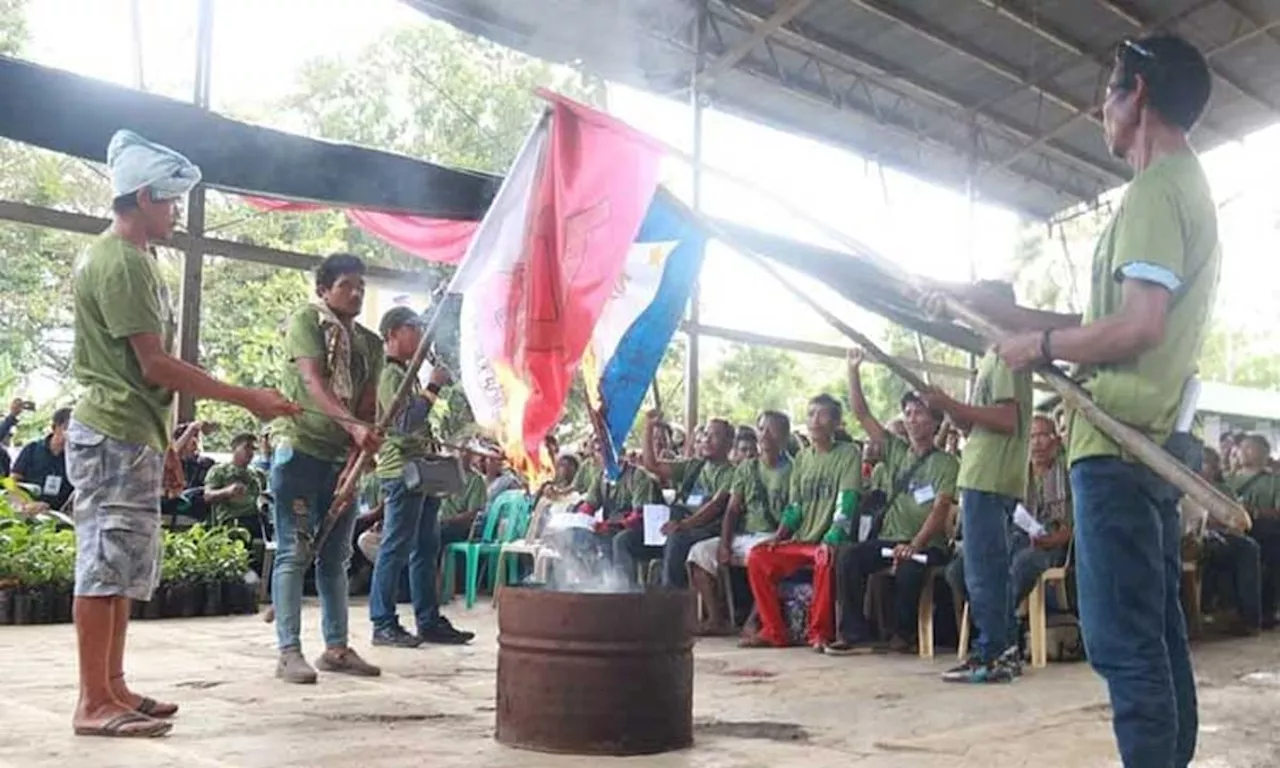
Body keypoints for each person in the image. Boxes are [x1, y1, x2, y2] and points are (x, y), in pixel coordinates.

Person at [954, 35, 1217, 766]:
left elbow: (1138, 328)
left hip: (1121, 447)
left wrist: (1036, 349)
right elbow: (1104, 324)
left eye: (1109, 90)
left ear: (1136, 93)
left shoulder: (1156, 191)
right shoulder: (1176, 188)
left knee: (1125, 643)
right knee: (1154, 635)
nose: (1101, 108)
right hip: (1149, 447)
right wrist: (1004, 316)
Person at [66, 129, 296, 738]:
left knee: (123, 566)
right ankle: (93, 700)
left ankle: (112, 686)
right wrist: (246, 396)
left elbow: (140, 371)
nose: (174, 213)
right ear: (142, 197)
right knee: (103, 564)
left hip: (130, 430)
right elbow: (153, 365)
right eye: (168, 202)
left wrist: (164, 442)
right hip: (112, 430)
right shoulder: (119, 260)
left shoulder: (134, 258)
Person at [269, 252, 385, 685]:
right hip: (301, 452)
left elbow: (369, 404)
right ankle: (288, 651)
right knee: (295, 551)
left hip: (342, 462)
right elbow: (314, 382)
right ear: (323, 289)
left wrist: (358, 456)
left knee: (336, 555)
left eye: (361, 287)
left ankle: (336, 647)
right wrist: (354, 431)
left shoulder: (370, 344)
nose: (355, 293)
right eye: (346, 285)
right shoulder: (307, 321)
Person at [918, 282, 1034, 684]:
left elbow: (1007, 419)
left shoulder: (1007, 353)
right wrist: (950, 409)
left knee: (985, 570)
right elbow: (977, 423)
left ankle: (993, 652)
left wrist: (950, 405)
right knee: (986, 568)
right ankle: (999, 648)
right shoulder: (991, 356)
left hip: (991, 476)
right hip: (982, 472)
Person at [829, 361, 957, 656]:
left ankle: (904, 634)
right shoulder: (895, 450)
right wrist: (852, 370)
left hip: (928, 545)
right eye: (908, 413)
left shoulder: (946, 463)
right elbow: (862, 414)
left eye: (919, 414)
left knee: (911, 567)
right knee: (849, 557)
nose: (912, 420)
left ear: (935, 421)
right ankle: (854, 632)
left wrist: (914, 545)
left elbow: (940, 511)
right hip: (890, 539)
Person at [367, 307, 473, 648]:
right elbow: (404, 423)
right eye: (414, 329)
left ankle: (428, 620)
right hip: (402, 472)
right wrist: (432, 387)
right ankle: (383, 622)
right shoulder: (391, 376)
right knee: (396, 548)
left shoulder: (405, 375)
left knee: (426, 548)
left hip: (420, 471)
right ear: (394, 333)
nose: (420, 336)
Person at [946, 415, 1074, 652]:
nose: (1036, 442)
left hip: (1049, 546)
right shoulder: (1016, 473)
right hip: (1013, 537)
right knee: (958, 569)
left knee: (1022, 564)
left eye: (1042, 435)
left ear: (1055, 440)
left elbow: (1070, 529)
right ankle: (1003, 626)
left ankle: (998, 633)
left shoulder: (1067, 474)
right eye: (1031, 436)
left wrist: (1048, 539)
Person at [740, 395, 859, 649]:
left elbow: (846, 504)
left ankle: (819, 633)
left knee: (824, 557)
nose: (814, 420)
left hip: (827, 541)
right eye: (811, 413)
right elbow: (795, 508)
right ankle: (773, 630)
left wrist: (832, 537)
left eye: (822, 414)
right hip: (801, 541)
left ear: (836, 423)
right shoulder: (802, 459)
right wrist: (779, 535)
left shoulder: (849, 453)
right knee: (758, 556)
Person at [687, 411, 792, 635]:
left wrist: (779, 537)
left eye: (771, 430)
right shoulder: (746, 468)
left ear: (784, 437)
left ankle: (755, 620)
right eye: (761, 429)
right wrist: (725, 543)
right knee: (698, 553)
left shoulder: (793, 469)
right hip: (745, 535)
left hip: (776, 534)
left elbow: (795, 510)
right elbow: (733, 510)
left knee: (761, 557)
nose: (764, 436)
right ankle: (717, 618)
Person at [618, 415, 736, 588]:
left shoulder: (731, 473)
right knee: (624, 540)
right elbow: (652, 465)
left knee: (676, 538)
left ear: (728, 443)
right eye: (706, 434)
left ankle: (672, 598)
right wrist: (648, 428)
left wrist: (684, 525)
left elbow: (716, 506)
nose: (707, 439)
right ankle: (624, 592)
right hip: (677, 524)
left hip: (703, 529)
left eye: (715, 435)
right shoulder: (693, 466)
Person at [1191, 447, 1261, 634]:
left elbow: (1237, 517)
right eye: (1203, 461)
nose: (1206, 467)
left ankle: (1250, 619)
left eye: (1211, 463)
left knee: (1249, 547)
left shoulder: (1223, 489)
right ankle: (1220, 610)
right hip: (1194, 535)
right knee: (1217, 552)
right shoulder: (1183, 486)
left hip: (1223, 533)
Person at [1225, 434, 1280, 629]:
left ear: (1264, 453)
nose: (1242, 452)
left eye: (1249, 448)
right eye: (1241, 448)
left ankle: (1264, 610)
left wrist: (1253, 512)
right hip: (1227, 528)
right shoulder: (1227, 478)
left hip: (1262, 530)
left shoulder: (1274, 481)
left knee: (1271, 547)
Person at [12, 406, 75, 510]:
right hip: (27, 512)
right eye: (67, 428)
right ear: (54, 427)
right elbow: (11, 482)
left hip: (57, 517)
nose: (70, 434)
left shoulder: (76, 459)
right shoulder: (32, 449)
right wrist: (25, 503)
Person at [203, 433, 265, 536]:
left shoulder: (258, 474)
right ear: (234, 448)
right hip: (231, 520)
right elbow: (207, 496)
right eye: (247, 447)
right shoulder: (219, 471)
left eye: (254, 449)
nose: (251, 452)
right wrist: (227, 492)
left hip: (256, 519)